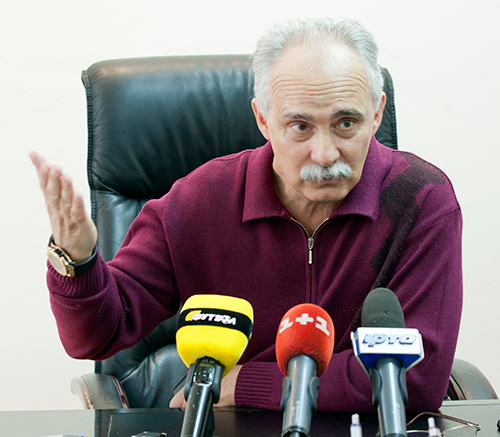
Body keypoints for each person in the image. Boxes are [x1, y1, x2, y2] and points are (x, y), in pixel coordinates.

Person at [30, 18, 462, 413]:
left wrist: (248, 384)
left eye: (346, 123)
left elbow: (415, 380)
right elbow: (97, 335)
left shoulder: (421, 199)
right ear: (263, 120)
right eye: (300, 127)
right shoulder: (201, 199)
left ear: (377, 112)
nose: (325, 153)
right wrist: (78, 261)